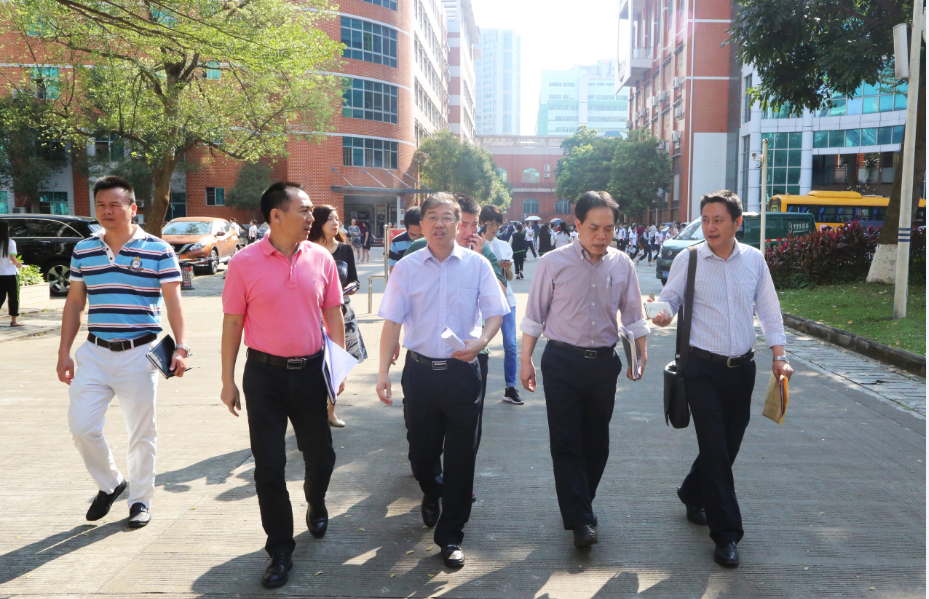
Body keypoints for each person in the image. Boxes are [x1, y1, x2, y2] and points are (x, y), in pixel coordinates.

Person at [651, 190, 793, 569]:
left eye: (718, 220)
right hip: (701, 369)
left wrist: (779, 357)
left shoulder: (754, 259)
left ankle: (690, 490)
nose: (710, 227)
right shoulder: (690, 258)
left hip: (743, 369)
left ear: (737, 222)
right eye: (705, 220)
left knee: (728, 446)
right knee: (715, 450)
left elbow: (769, 309)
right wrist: (661, 314)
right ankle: (727, 534)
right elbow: (670, 299)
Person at [220, 181, 346, 589]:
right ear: (276, 216)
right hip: (264, 377)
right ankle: (279, 549)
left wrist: (338, 368)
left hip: (311, 373)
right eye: (304, 210)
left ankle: (316, 500)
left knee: (322, 456)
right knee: (269, 466)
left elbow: (333, 315)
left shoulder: (321, 258)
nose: (312, 217)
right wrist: (227, 379)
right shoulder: (244, 263)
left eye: (311, 211)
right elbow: (233, 323)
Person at [377, 193, 508, 570]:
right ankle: (432, 489)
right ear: (422, 224)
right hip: (419, 374)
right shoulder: (407, 267)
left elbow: (496, 312)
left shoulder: (477, 265)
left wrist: (481, 341)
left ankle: (451, 535)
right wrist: (383, 372)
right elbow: (392, 321)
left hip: (462, 374)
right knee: (421, 454)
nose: (439, 223)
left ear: (458, 222)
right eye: (432, 216)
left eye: (447, 217)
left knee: (462, 457)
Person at [56, 176, 188, 530]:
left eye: (115, 205)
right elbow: (74, 304)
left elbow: (174, 302)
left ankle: (140, 500)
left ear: (133, 208)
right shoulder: (84, 250)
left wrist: (181, 347)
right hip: (95, 352)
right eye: (101, 205)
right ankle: (111, 483)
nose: (107, 211)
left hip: (139, 353)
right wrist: (64, 352)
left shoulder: (159, 250)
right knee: (82, 427)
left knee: (141, 433)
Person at [520, 190, 649, 549]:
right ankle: (580, 519)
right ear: (577, 224)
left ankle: (582, 502)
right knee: (566, 441)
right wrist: (526, 360)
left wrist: (641, 353)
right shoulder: (552, 263)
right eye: (594, 228)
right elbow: (534, 315)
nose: (602, 236)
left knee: (597, 443)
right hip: (561, 361)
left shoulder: (623, 264)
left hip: (603, 364)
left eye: (609, 229)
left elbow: (634, 314)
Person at [402, 196, 508, 416]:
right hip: (423, 360)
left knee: (467, 427)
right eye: (464, 224)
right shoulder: (419, 248)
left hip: (471, 352)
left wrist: (476, 260)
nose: (469, 231)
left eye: (475, 225)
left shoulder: (482, 255)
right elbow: (400, 297)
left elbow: (499, 297)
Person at [309, 205, 367, 428]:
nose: (336, 223)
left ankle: (331, 411)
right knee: (315, 364)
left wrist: (349, 288)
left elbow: (354, 279)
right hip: (314, 313)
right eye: (330, 219)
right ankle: (312, 410)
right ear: (319, 222)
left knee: (338, 362)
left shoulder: (344, 249)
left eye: (337, 219)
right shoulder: (307, 248)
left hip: (342, 311)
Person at [480, 205, 522, 406]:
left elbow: (509, 278)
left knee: (511, 345)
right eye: (491, 224)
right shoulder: (474, 245)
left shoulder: (504, 245)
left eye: (498, 224)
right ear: (482, 223)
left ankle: (510, 387)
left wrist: (508, 268)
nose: (495, 228)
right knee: (479, 345)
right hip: (482, 301)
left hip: (506, 300)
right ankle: (474, 386)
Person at [0, 220, 24, 327]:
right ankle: (13, 321)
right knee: (14, 297)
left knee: (0, 297)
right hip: (11, 274)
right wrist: (19, 264)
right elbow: (13, 259)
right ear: (7, 229)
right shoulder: (11, 242)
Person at [388, 206, 423, 273]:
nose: (417, 239)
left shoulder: (432, 240)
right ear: (406, 229)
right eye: (413, 235)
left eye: (421, 235)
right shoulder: (396, 242)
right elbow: (394, 271)